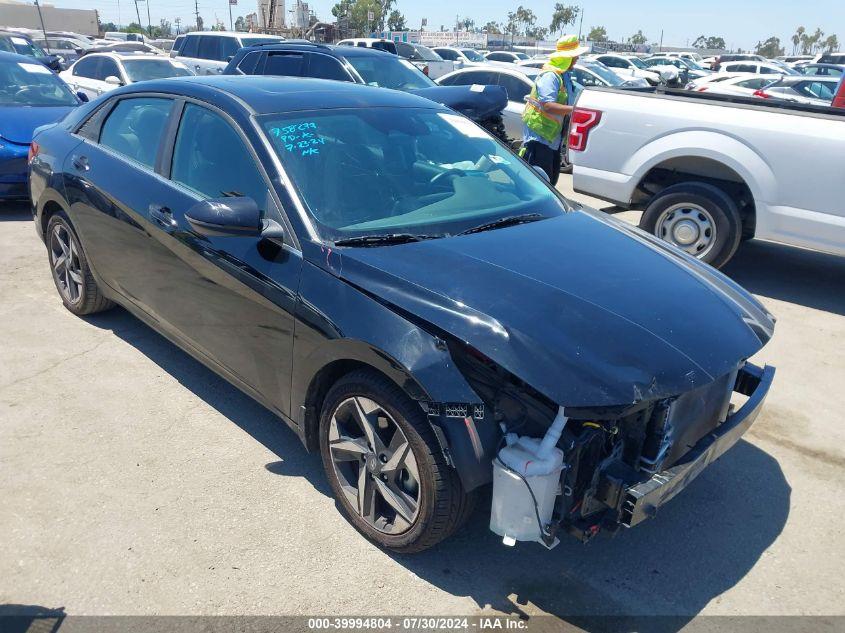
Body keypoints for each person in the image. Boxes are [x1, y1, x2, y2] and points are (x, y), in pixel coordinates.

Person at [519, 34, 589, 185]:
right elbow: (548, 105)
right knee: (539, 184)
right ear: (566, 57)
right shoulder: (550, 76)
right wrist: (575, 110)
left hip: (552, 139)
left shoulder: (564, 77)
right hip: (539, 139)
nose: (577, 59)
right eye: (574, 56)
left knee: (551, 183)